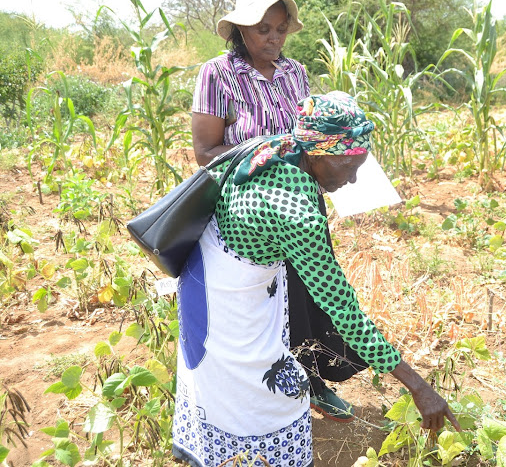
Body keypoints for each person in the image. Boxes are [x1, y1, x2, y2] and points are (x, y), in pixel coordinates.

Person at [173, 91, 459, 467]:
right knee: (269, 401)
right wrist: (419, 387)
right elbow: (344, 313)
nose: (354, 179)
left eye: (360, 165)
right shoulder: (296, 213)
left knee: (225, 390)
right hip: (226, 299)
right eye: (347, 165)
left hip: (209, 276)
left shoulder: (279, 147)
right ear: (319, 152)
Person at [190, 0, 361, 422]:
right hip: (250, 209)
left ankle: (311, 377)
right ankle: (263, 388)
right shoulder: (217, 74)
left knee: (305, 291)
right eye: (264, 29)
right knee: (262, 301)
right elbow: (206, 153)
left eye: (281, 29)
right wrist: (270, 146)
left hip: (300, 201)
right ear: (241, 31)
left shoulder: (295, 73)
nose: (274, 38)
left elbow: (312, 139)